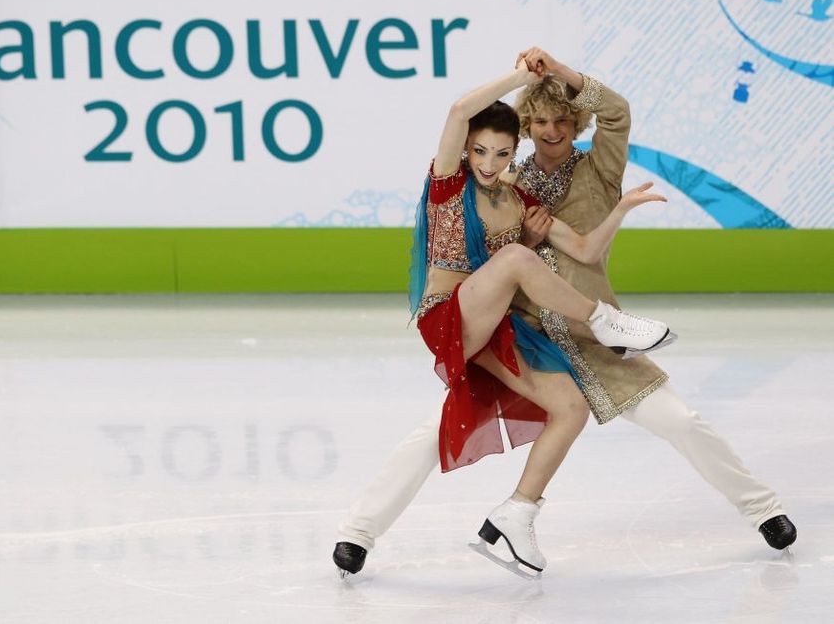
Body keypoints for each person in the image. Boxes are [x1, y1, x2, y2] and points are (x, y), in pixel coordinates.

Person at [334, 59, 674, 577]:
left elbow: (584, 249)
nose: (489, 163)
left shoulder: (518, 200)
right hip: (449, 319)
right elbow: (458, 110)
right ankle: (604, 322)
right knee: (516, 259)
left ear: (516, 151)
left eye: (501, 153)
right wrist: (521, 78)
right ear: (465, 149)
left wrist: (619, 209)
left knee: (570, 408)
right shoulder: (449, 185)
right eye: (479, 151)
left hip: (495, 328)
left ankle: (516, 512)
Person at [508, 47, 796, 549]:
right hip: (528, 341)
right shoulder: (507, 182)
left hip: (597, 337)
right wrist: (525, 242)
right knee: (440, 429)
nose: (551, 130)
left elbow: (616, 111)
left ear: (576, 122)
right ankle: (364, 530)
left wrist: (557, 71)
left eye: (562, 120)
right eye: (540, 121)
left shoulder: (599, 171)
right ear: (526, 125)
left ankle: (763, 509)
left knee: (682, 421)